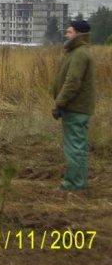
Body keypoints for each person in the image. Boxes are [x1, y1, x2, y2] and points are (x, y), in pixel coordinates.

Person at [52, 19, 95, 191]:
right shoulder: (79, 52)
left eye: (69, 32)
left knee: (74, 147)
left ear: (77, 34)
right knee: (79, 146)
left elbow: (73, 82)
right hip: (78, 108)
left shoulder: (79, 54)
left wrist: (59, 103)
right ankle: (79, 181)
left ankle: (74, 184)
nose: (66, 34)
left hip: (75, 108)